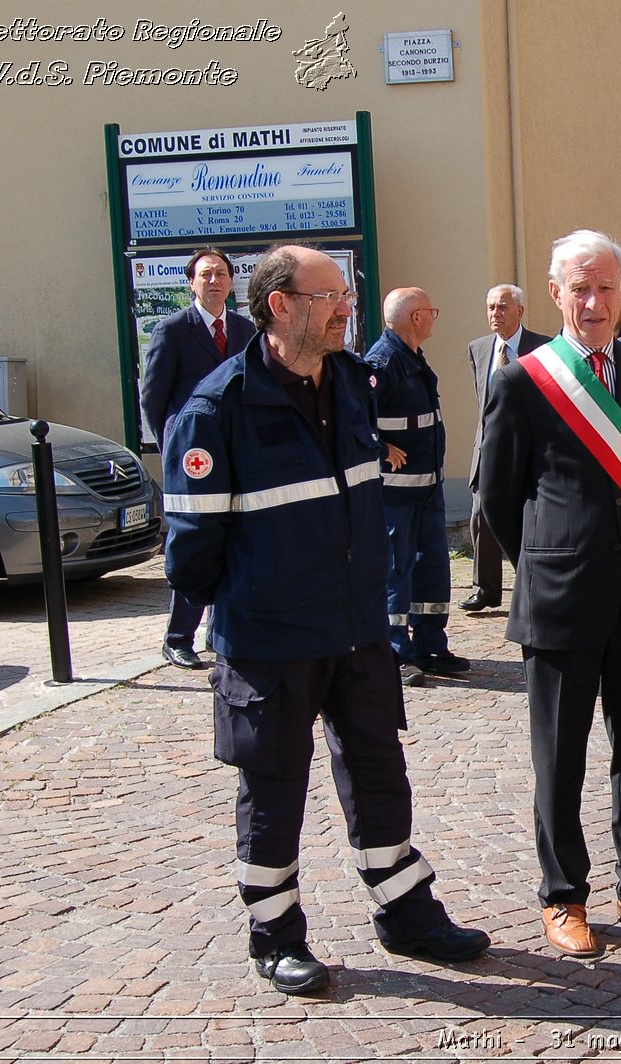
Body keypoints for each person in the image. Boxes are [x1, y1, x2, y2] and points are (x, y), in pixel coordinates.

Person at [162, 245, 489, 996]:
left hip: (358, 632)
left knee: (380, 774)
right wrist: (260, 597)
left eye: (346, 294)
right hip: (269, 643)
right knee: (272, 790)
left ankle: (406, 913)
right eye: (332, 295)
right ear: (282, 306)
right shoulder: (217, 408)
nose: (347, 307)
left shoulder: (351, 383)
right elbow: (190, 559)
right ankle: (274, 936)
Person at [477, 230, 621, 958]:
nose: (595, 301)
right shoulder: (524, 379)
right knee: (561, 757)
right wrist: (549, 562)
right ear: (556, 293)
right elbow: (498, 500)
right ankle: (562, 896)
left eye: (607, 287)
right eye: (580, 287)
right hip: (561, 600)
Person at [140, 248, 256, 670]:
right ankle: (177, 638)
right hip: (193, 460)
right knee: (193, 540)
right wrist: (173, 445)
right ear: (191, 282)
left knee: (234, 536)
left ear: (230, 281)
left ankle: (220, 630)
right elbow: (154, 399)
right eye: (205, 274)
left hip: (236, 451)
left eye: (221, 273)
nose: (213, 281)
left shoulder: (245, 329)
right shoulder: (172, 330)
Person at [364, 288, 471, 686]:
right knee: (397, 568)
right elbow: (355, 416)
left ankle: (431, 645)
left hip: (428, 489)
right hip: (396, 493)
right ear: (413, 318)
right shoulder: (383, 361)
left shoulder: (411, 356)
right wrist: (380, 447)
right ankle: (396, 650)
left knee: (432, 568)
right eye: (431, 311)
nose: (433, 317)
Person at [465, 284, 551, 611]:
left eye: (502, 307)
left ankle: (529, 583)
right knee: (481, 515)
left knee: (528, 518)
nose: (495, 314)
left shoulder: (542, 347)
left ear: (519, 311)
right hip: (488, 447)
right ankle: (485, 589)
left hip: (531, 447)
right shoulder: (478, 349)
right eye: (490, 308)